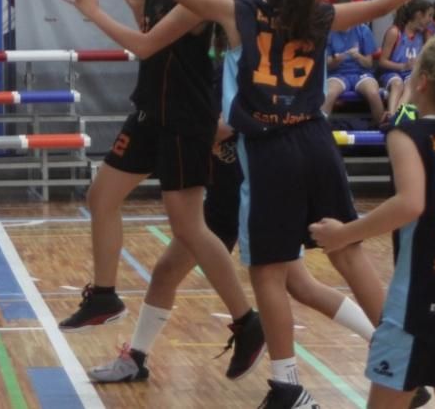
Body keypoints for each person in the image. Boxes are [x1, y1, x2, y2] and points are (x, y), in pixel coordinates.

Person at [108, 0, 435, 407]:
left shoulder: (243, 13)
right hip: (317, 141)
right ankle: (404, 352)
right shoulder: (321, 16)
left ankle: (285, 384)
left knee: (267, 272)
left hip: (270, 149)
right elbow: (384, 2)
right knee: (349, 253)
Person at [83, 25, 384, 397]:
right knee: (164, 273)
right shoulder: (198, 73)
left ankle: (376, 344)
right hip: (222, 205)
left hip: (257, 195)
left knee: (299, 284)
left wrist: (170, 130)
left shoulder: (236, 75)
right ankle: (137, 358)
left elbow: (225, 126)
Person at [41, 0, 265, 380]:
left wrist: (95, 14)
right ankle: (104, 295)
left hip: (186, 124)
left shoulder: (198, 2)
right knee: (101, 195)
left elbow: (143, 47)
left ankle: (248, 322)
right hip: (148, 115)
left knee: (189, 229)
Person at [310, 32, 435, 409]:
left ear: (420, 82)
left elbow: (410, 204)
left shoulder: (409, 133)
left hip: (418, 302)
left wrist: (344, 233)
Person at [322, 0, 385, 122]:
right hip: (338, 74)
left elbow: (369, 63)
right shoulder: (328, 31)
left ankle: (383, 130)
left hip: (361, 73)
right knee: (329, 94)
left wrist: (358, 57)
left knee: (374, 93)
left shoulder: (363, 30)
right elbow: (326, 64)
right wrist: (335, 61)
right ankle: (319, 133)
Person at [379, 0, 432, 122]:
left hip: (411, 74)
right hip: (391, 73)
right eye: (429, 16)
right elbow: (382, 61)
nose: (431, 20)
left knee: (410, 83)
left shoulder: (424, 35)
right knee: (398, 84)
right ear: (419, 15)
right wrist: (403, 66)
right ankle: (392, 115)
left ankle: (396, 117)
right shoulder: (395, 32)